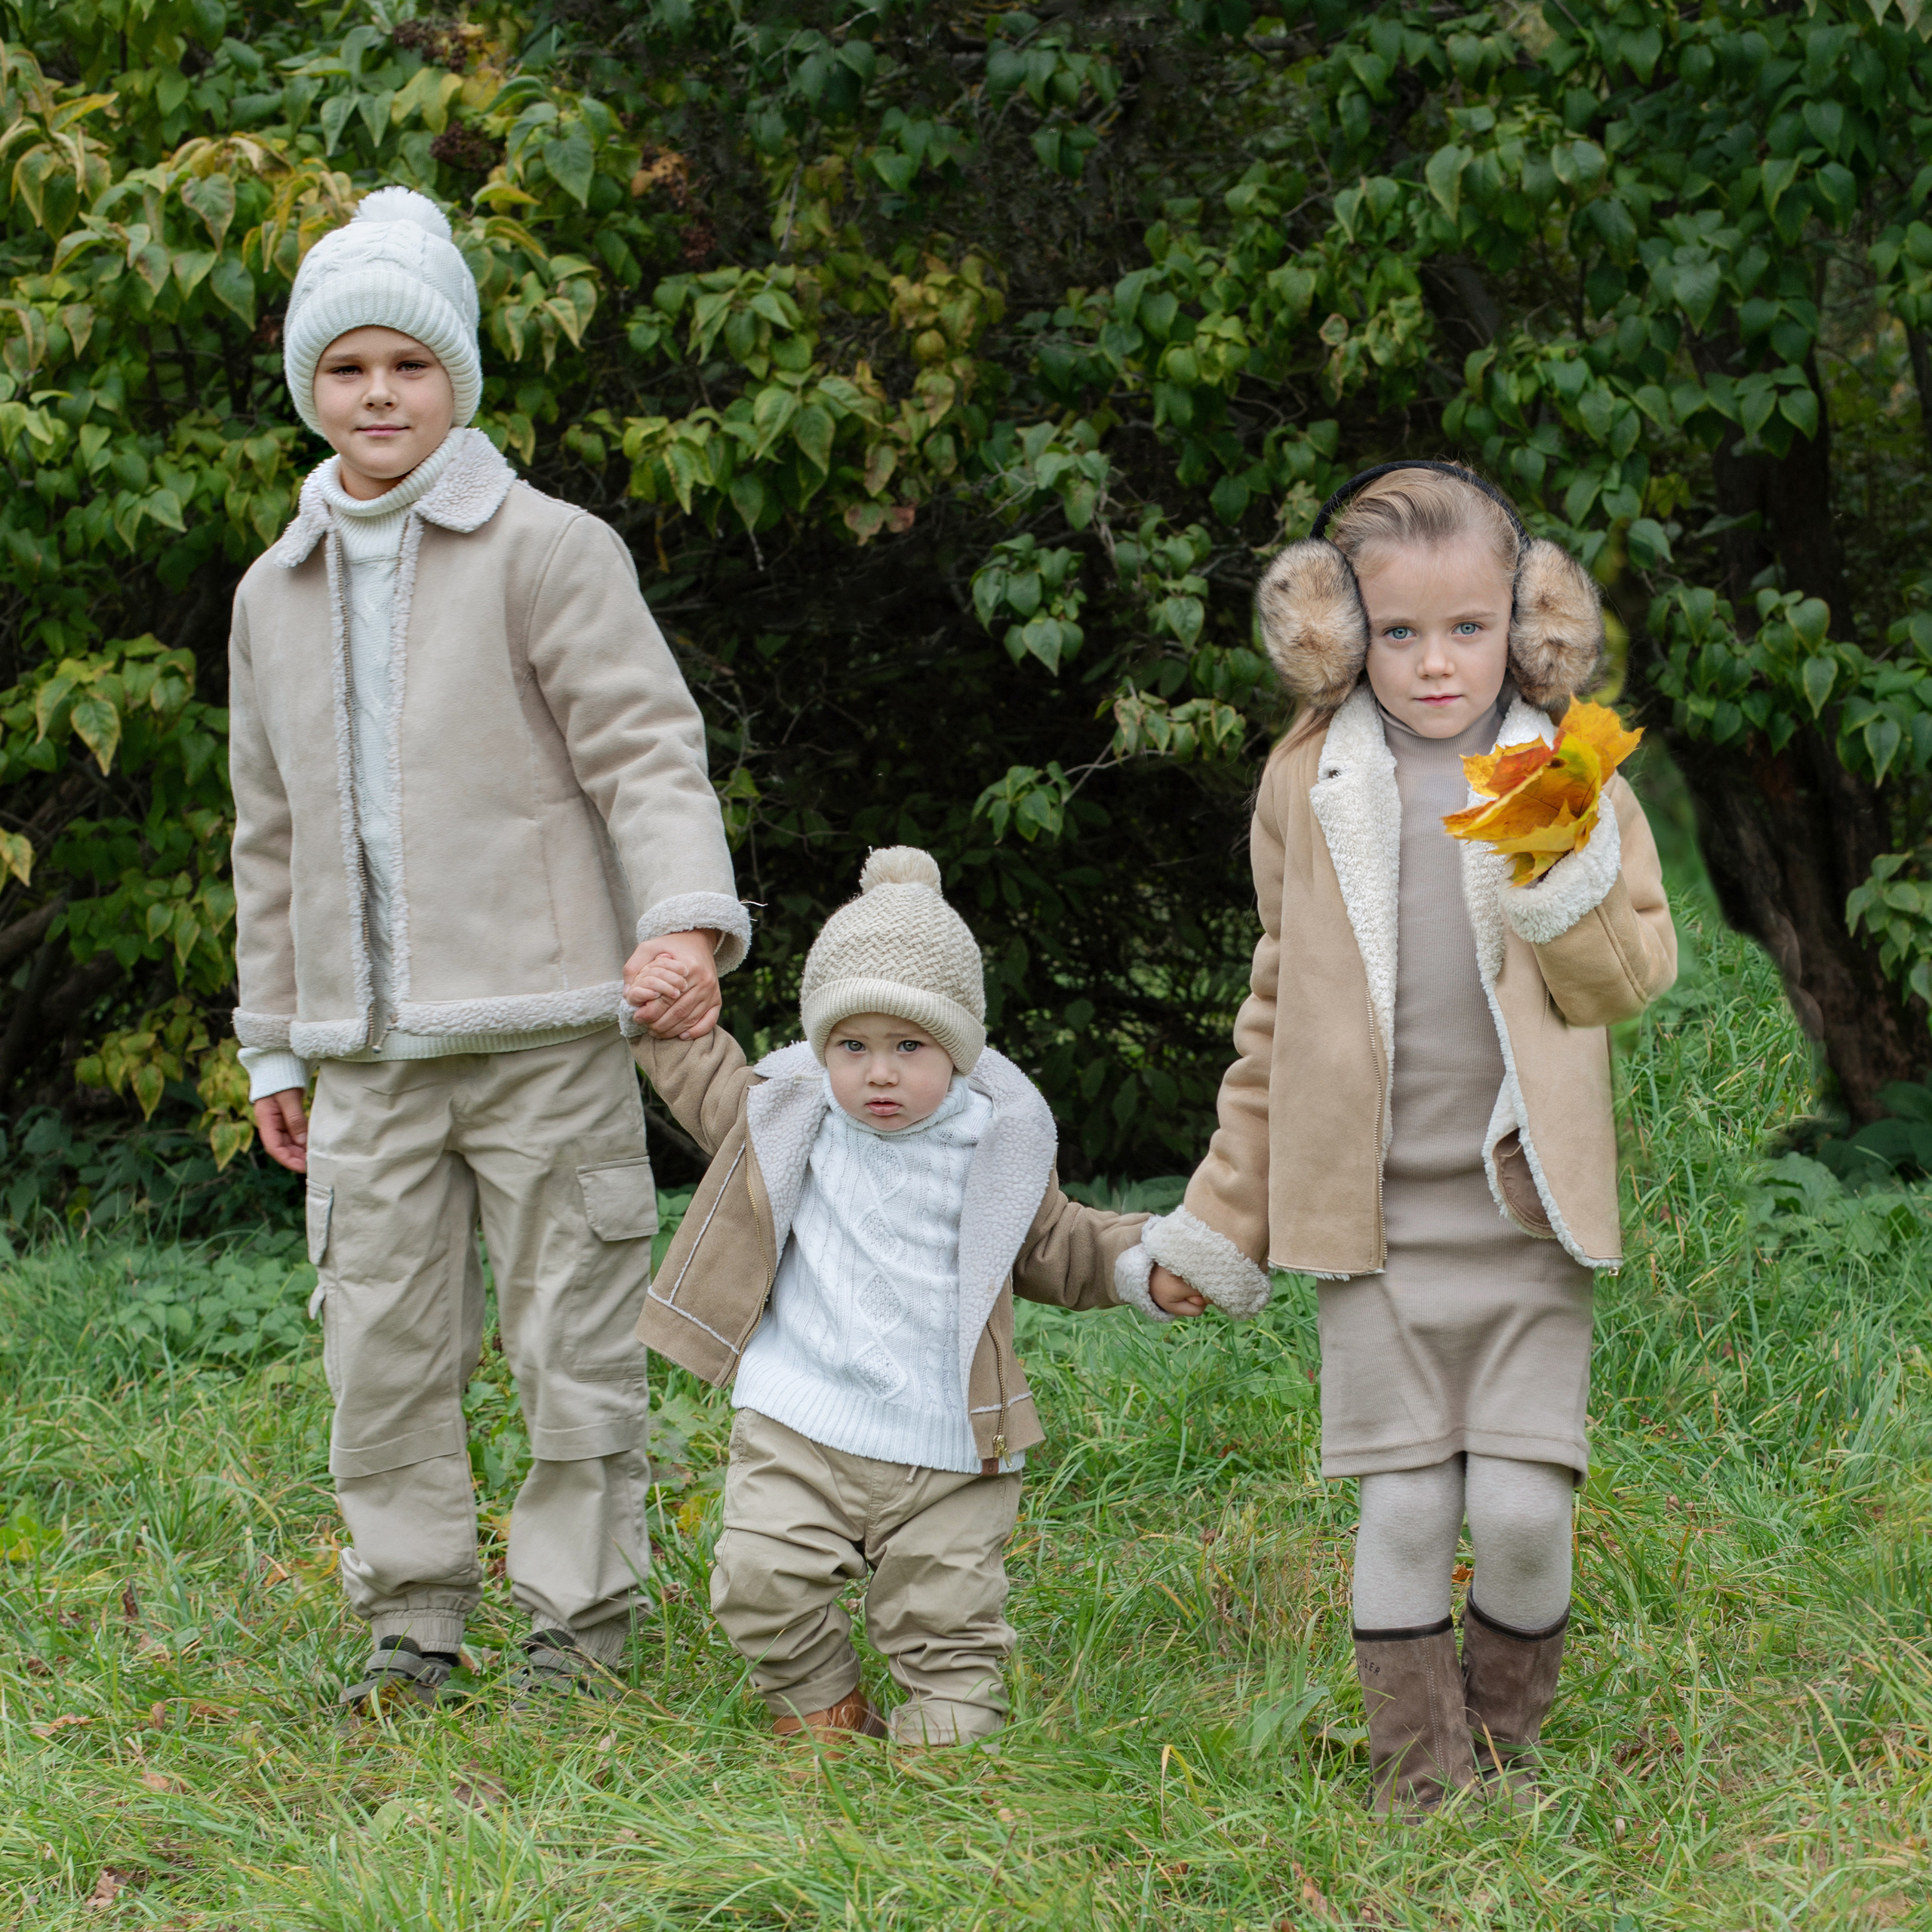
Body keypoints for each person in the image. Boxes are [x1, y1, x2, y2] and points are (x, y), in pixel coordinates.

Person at [227, 187, 750, 1714]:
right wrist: (277, 1033)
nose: (376, 394)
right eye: (345, 368)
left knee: (569, 1341)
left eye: (407, 364)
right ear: (308, 387)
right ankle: (412, 1621)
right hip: (365, 1056)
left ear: (455, 375)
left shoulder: (546, 548)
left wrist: (679, 918)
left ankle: (578, 1628)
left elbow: (646, 751)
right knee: (379, 1352)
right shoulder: (275, 592)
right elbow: (266, 827)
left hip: (541, 1036)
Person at [1140, 463, 1676, 1815]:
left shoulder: (1571, 770)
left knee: (1519, 1509)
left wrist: (1559, 880)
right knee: (1403, 1510)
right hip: (1371, 1223)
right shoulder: (1312, 780)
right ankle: (1418, 1779)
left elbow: (1631, 980)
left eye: (1470, 628)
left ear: (1529, 622)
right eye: (1396, 632)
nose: (1435, 664)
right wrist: (1220, 1219)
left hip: (1518, 1216)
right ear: (1336, 631)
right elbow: (1277, 1000)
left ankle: (1502, 1746)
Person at [623, 847, 1259, 1748]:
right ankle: (820, 1707)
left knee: (948, 1615)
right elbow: (695, 1066)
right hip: (799, 1416)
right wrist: (662, 1005)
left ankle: (947, 1740)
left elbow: (1058, 1243)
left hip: (948, 1443)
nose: (879, 1073)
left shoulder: (991, 1142)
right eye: (853, 1045)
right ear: (821, 1047)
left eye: (908, 1046)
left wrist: (1143, 1267)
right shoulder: (785, 1111)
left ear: (958, 1052)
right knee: (758, 1578)